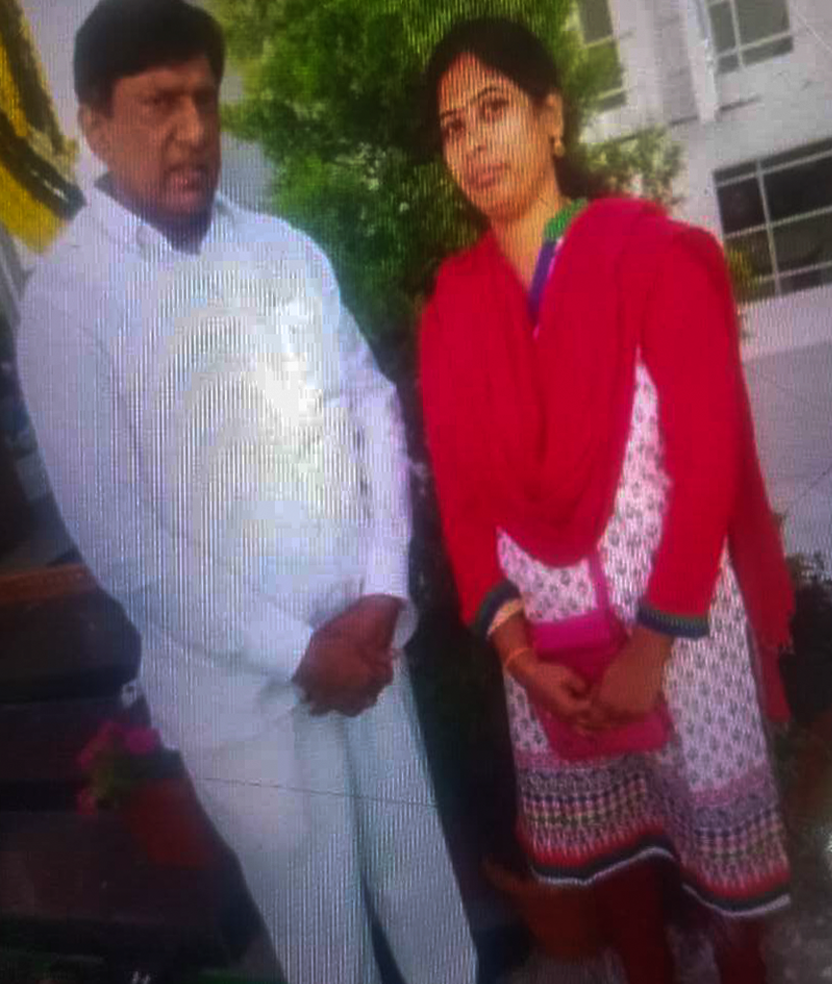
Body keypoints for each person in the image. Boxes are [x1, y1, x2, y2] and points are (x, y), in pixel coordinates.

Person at [16, 2, 477, 982]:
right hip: (244, 703)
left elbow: (370, 403)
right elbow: (124, 543)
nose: (192, 130)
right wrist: (301, 653)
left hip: (364, 646)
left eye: (204, 99)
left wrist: (383, 586)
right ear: (96, 124)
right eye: (158, 104)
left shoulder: (283, 252)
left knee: (424, 894)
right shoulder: (67, 306)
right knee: (326, 947)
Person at [418, 17, 795, 984]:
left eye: (494, 108)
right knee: (615, 859)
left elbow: (708, 466)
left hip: (680, 630)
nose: (475, 142)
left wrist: (652, 646)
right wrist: (518, 656)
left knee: (725, 882)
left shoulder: (650, 258)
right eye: (454, 127)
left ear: (552, 117)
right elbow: (461, 501)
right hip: (548, 652)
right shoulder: (453, 309)